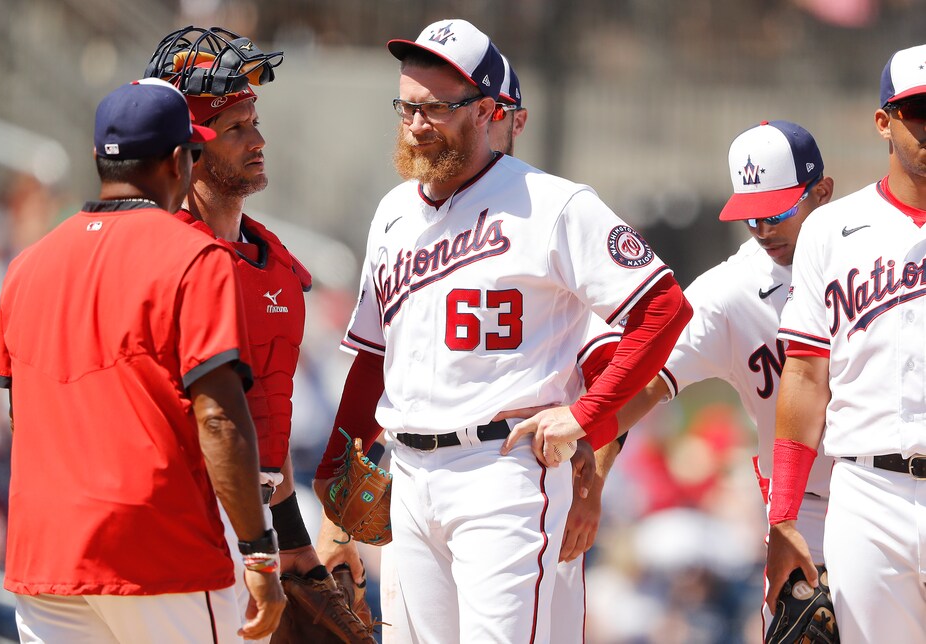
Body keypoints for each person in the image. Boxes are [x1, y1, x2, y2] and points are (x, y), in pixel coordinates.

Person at [312, 18, 692, 642]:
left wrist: (587, 419)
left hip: (504, 469)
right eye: (406, 106)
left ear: (488, 111)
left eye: (434, 108)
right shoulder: (393, 213)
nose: (415, 123)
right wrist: (333, 482)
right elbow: (374, 358)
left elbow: (663, 310)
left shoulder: (554, 204)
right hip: (407, 473)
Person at [0, 79, 284, 642]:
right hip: (160, 558)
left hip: (45, 560)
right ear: (179, 161)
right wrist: (258, 552)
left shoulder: (25, 267)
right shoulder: (196, 257)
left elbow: (20, 418)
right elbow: (219, 418)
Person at [142, 28, 371, 643]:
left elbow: (265, 434)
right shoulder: (154, 257)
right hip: (177, 526)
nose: (259, 140)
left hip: (255, 526)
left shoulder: (274, 261)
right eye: (236, 126)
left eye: (255, 120)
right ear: (189, 143)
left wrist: (294, 544)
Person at [594, 119, 835, 634]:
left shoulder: (872, 254)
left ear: (823, 191)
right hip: (805, 513)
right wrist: (594, 471)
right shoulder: (730, 291)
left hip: (894, 485)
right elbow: (644, 383)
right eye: (751, 216)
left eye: (778, 211)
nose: (763, 228)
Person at [766, 43, 926, 642]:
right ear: (884, 121)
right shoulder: (832, 230)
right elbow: (806, 375)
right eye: (918, 110)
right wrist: (783, 516)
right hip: (868, 495)